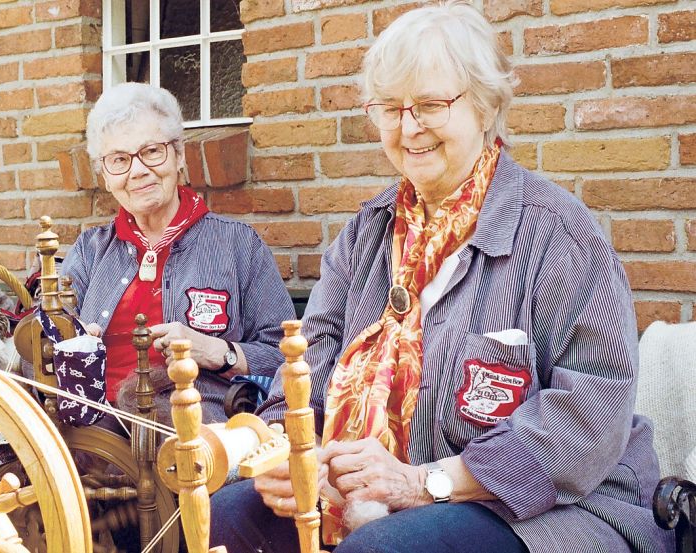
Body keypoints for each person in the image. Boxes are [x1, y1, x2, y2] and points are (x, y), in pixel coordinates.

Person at [209, 2, 674, 552]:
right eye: (390, 108)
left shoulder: (560, 237)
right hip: (372, 487)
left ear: (484, 105)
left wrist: (425, 482)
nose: (409, 128)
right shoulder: (367, 234)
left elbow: (588, 420)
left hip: (547, 505)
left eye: (430, 104)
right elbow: (312, 361)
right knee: (231, 515)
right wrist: (287, 447)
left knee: (382, 549)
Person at [62, 82, 295, 423]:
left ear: (179, 156)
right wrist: (70, 342)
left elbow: (288, 356)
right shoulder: (89, 251)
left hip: (191, 434)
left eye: (152, 151)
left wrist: (219, 352)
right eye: (119, 160)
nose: (137, 170)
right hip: (92, 435)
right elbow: (37, 350)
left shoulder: (238, 246)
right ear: (105, 177)